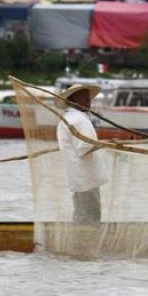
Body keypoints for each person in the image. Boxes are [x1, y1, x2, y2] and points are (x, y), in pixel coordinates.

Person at [56, 84, 107, 222]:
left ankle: (80, 241)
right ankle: (85, 242)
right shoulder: (78, 119)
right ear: (73, 100)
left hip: (80, 178)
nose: (88, 101)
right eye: (83, 98)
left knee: (82, 214)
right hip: (86, 178)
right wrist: (104, 144)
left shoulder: (70, 117)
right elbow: (84, 148)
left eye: (88, 98)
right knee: (90, 217)